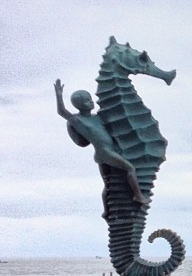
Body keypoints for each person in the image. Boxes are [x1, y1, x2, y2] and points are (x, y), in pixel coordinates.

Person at [54, 79, 150, 213]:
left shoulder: (96, 117)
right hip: (104, 152)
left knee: (108, 184)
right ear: (79, 105)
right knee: (130, 168)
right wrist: (59, 95)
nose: (91, 102)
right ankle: (138, 195)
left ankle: (106, 211)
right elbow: (62, 112)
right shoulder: (78, 121)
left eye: (90, 99)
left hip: (105, 153)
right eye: (87, 101)